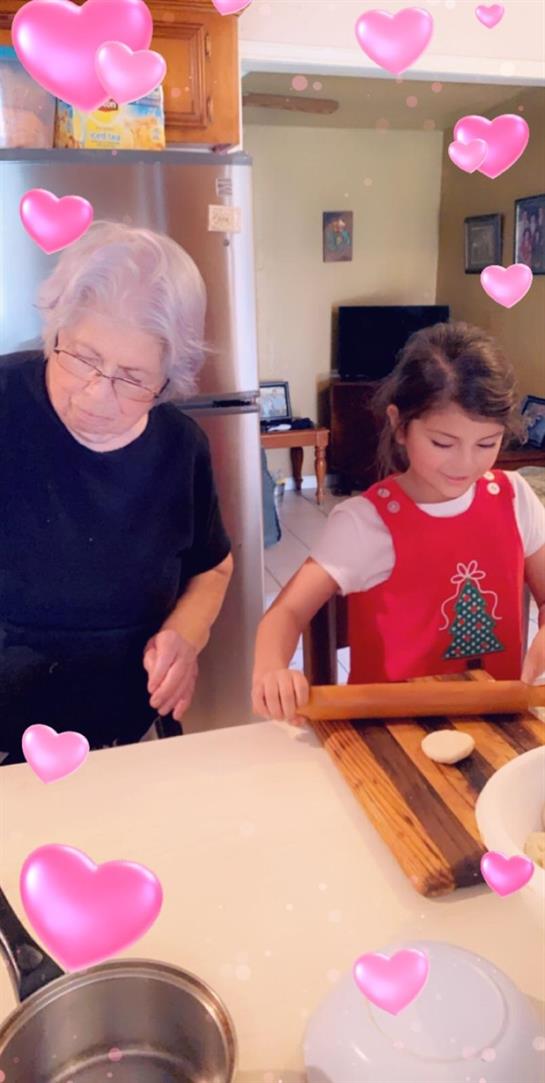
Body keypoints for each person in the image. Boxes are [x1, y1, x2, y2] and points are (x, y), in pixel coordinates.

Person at [0, 220, 233, 763]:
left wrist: (185, 636)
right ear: (54, 329)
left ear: (169, 377)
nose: (97, 393)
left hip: (123, 736)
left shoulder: (182, 447)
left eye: (132, 377)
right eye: (81, 356)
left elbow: (212, 567)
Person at [252, 322, 545, 724]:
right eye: (443, 443)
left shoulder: (515, 499)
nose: (466, 464)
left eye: (486, 443)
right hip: (386, 735)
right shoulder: (364, 523)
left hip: (496, 725)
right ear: (399, 424)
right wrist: (271, 671)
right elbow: (284, 615)